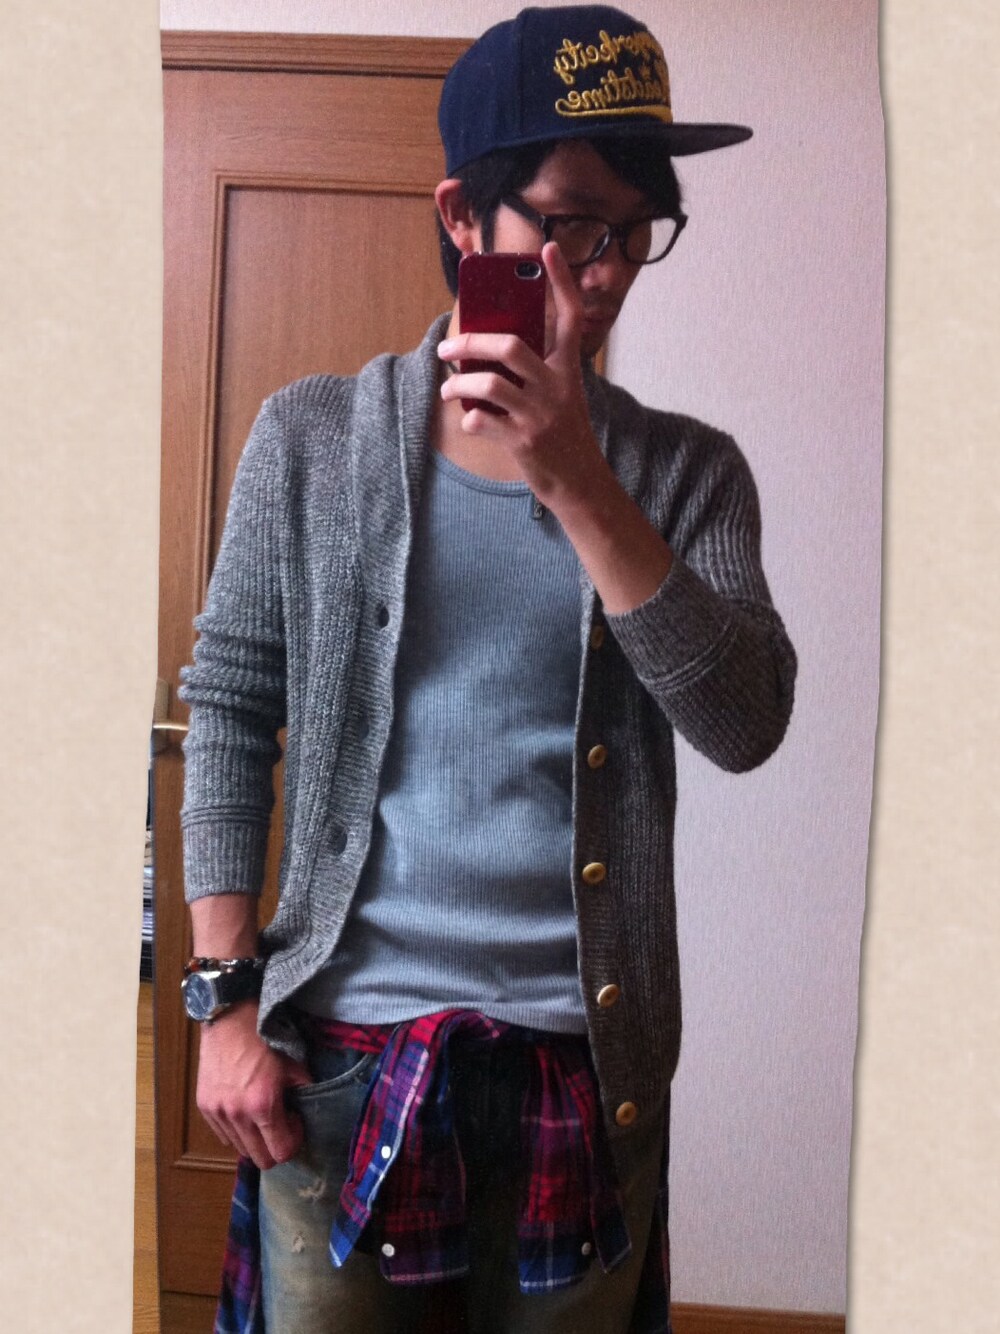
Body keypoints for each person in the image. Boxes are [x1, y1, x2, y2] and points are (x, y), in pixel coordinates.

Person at [177, 7, 797, 1332]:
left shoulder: (688, 473)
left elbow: (746, 719)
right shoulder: (312, 441)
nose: (607, 272)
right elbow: (228, 712)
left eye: (636, 229)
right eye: (570, 223)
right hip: (339, 1068)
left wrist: (578, 482)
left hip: (590, 1070)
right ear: (466, 218)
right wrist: (223, 1005)